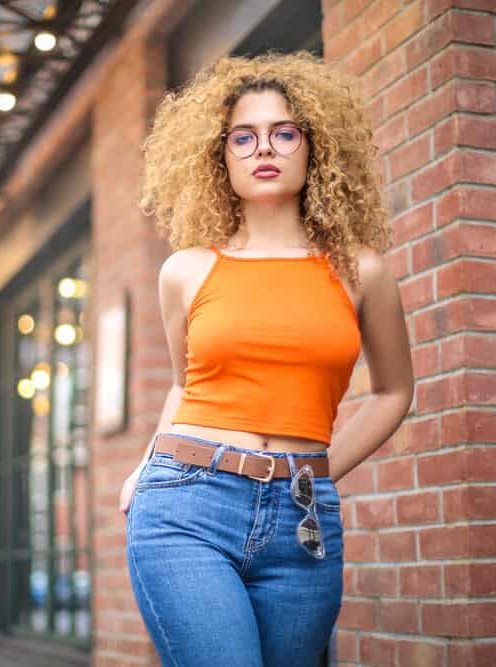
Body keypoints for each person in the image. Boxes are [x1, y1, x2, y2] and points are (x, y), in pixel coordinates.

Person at [121, 51, 414, 667]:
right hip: (187, 503)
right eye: (243, 137)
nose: (264, 149)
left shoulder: (362, 272)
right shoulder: (188, 270)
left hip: (302, 522)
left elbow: (393, 391)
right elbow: (187, 384)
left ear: (315, 148)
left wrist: (320, 471)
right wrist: (147, 462)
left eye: (284, 132)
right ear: (219, 156)